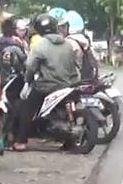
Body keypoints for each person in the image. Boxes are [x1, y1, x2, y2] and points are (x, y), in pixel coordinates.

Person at [14, 14, 81, 150]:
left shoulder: (40, 45)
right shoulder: (67, 44)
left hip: (47, 86)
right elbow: (75, 64)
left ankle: (21, 141)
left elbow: (30, 66)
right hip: (68, 85)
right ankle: (68, 142)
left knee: (26, 107)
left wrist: (28, 81)